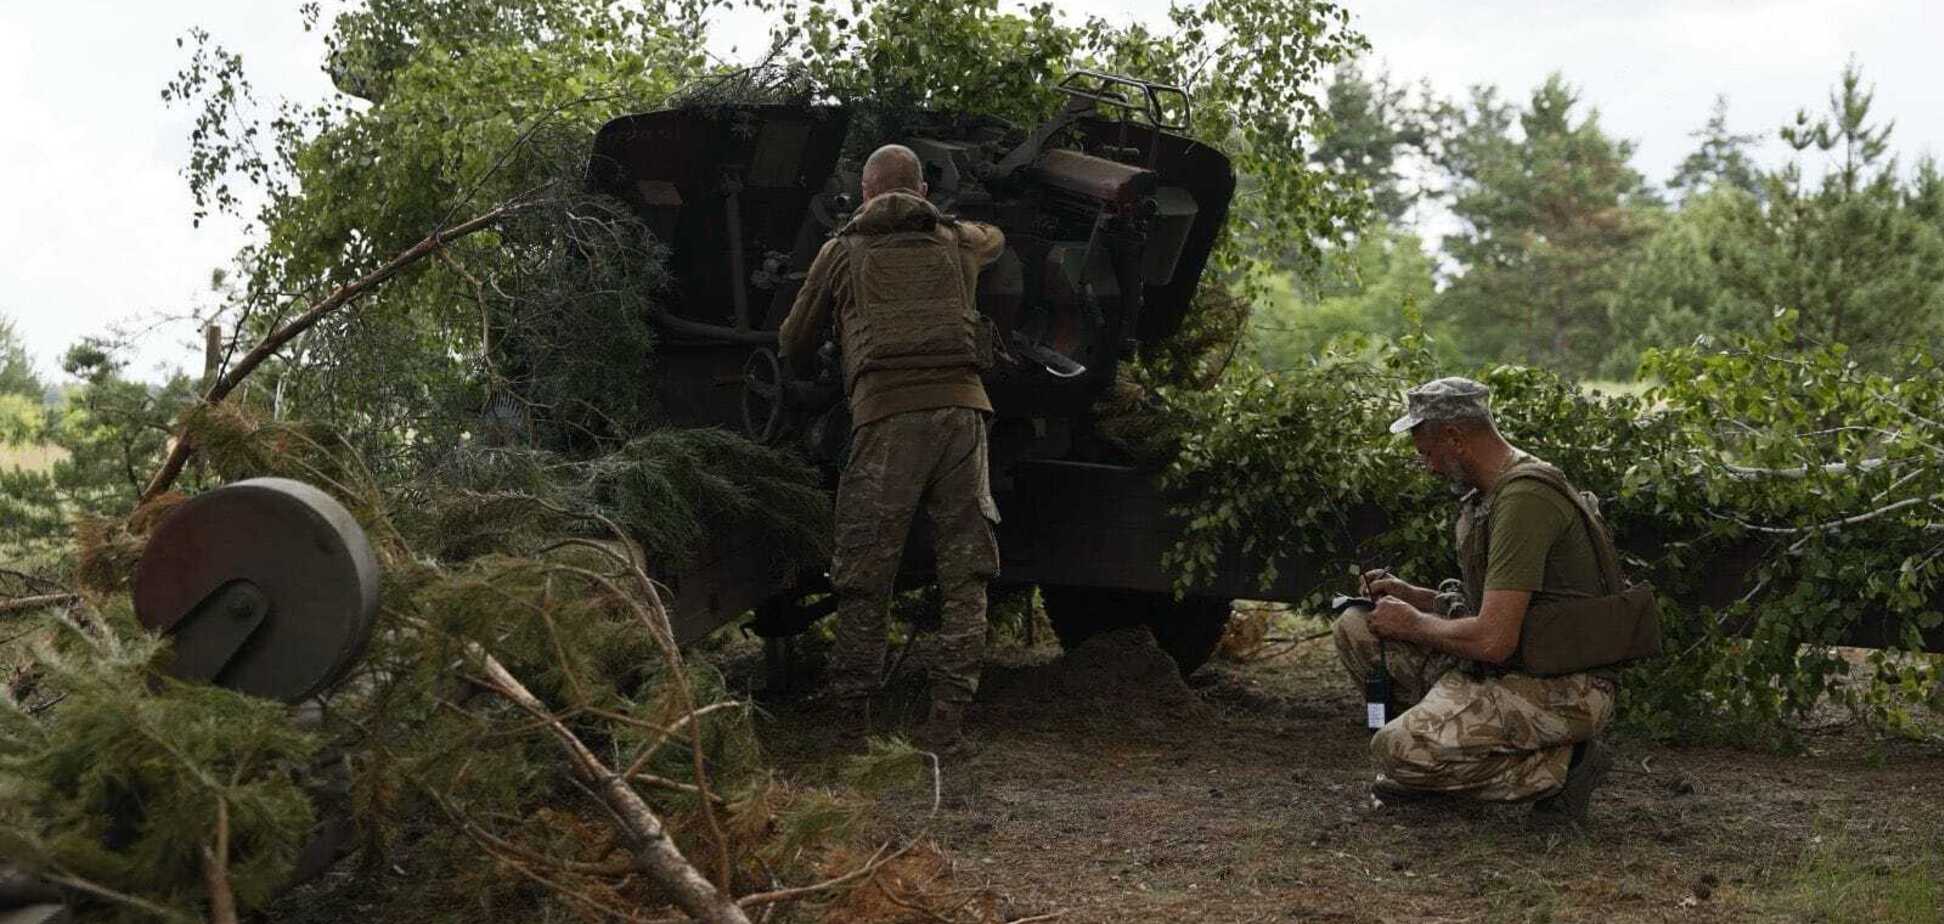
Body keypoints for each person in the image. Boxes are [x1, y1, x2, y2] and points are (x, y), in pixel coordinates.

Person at [779, 144, 1005, 751]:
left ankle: (853, 719)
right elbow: (997, 238)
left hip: (886, 418)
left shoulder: (841, 251)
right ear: (925, 192)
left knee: (865, 570)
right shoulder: (960, 242)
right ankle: (948, 721)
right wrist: (944, 220)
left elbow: (793, 341)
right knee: (966, 573)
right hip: (963, 415)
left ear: (864, 195)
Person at [1332, 376, 1627, 821]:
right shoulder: (1489, 496)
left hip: (1563, 686)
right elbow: (1494, 609)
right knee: (1357, 627)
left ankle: (1564, 768)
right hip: (1512, 664)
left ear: (1454, 437)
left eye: (1427, 453)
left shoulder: (1525, 499)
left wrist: (1412, 623)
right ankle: (1443, 756)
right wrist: (1417, 598)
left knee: (1396, 750)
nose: (1428, 467)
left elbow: (1493, 639)